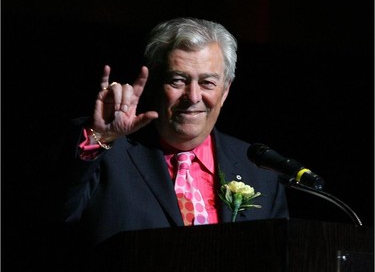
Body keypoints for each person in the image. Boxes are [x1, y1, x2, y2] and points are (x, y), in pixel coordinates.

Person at [54, 17, 289, 268]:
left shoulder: (258, 169)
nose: (193, 97)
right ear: (154, 82)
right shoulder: (107, 152)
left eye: (208, 82)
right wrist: (97, 137)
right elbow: (53, 217)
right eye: (178, 80)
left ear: (226, 90)